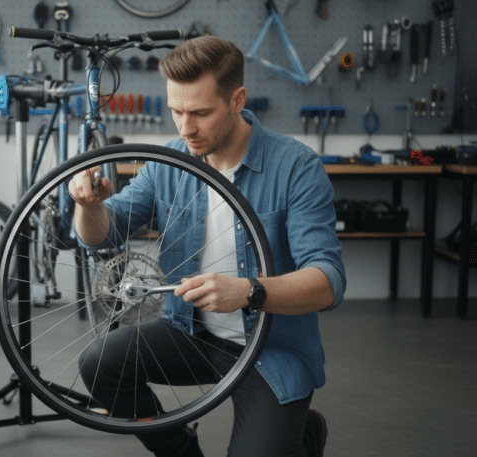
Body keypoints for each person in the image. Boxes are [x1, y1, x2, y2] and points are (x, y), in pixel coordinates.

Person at [69, 36, 346, 457]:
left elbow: (328, 282)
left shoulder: (296, 167)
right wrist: (87, 205)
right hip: (190, 333)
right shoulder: (170, 161)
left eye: (200, 112)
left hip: (271, 351)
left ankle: (302, 436)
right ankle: (181, 450)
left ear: (237, 100)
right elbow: (105, 234)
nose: (185, 127)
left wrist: (249, 291)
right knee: (99, 363)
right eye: (176, 110)